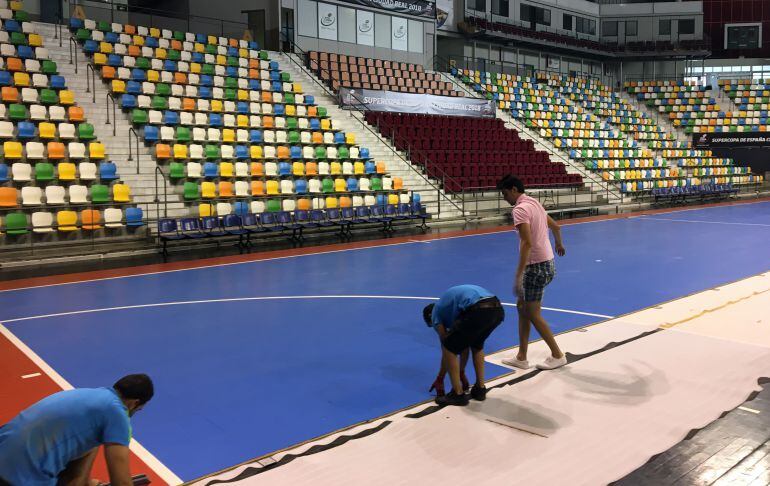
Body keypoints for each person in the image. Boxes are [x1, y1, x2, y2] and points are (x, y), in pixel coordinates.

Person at [0, 374, 154, 486]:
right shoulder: (117, 414)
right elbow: (121, 482)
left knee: (92, 443)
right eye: (138, 409)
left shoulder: (83, 394)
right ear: (134, 403)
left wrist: (87, 482)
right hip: (21, 479)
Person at [497, 174, 568, 371]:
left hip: (535, 266)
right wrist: (559, 243)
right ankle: (521, 356)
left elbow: (527, 243)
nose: (504, 198)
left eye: (504, 193)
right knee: (522, 307)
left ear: (513, 189)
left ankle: (557, 355)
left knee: (532, 312)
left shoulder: (520, 210)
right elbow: (555, 225)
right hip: (548, 263)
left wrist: (518, 275)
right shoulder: (534, 203)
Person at [423, 285, 505, 406]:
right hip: (497, 309)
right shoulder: (451, 309)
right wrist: (460, 372)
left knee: (448, 347)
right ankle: (480, 389)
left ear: (430, 318)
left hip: (478, 310)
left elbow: (448, 348)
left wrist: (440, 377)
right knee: (477, 346)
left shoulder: (436, 314)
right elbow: (463, 347)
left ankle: (458, 394)